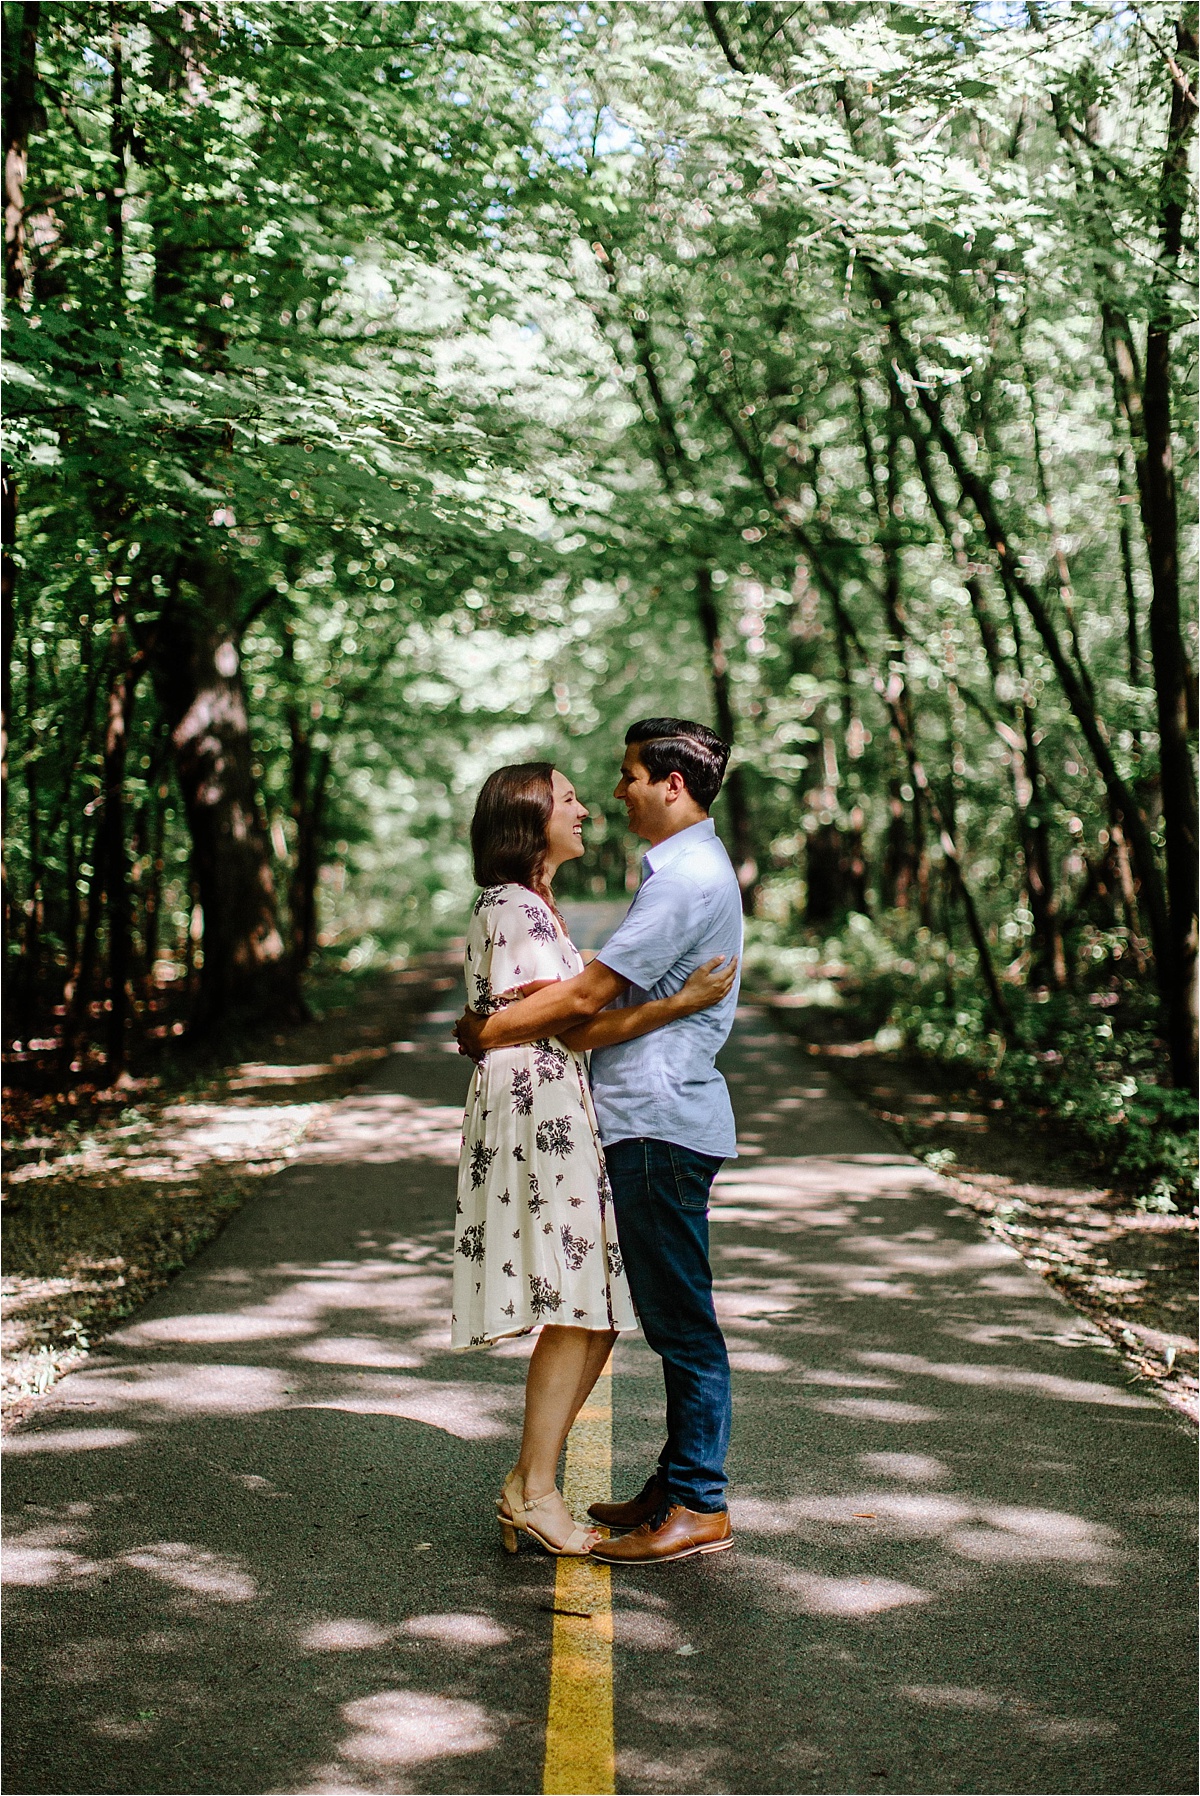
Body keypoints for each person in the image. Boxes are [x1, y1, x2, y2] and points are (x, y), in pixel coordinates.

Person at [455, 719, 742, 1566]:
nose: (609, 795)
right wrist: (499, 1025)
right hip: (611, 1116)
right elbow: (580, 1016)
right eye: (580, 792)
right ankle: (658, 1485)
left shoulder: (684, 880)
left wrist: (485, 1026)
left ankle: (695, 1498)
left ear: (673, 785)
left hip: (655, 1120)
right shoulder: (540, 902)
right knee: (615, 1309)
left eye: (624, 777)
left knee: (668, 1319)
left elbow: (585, 1000)